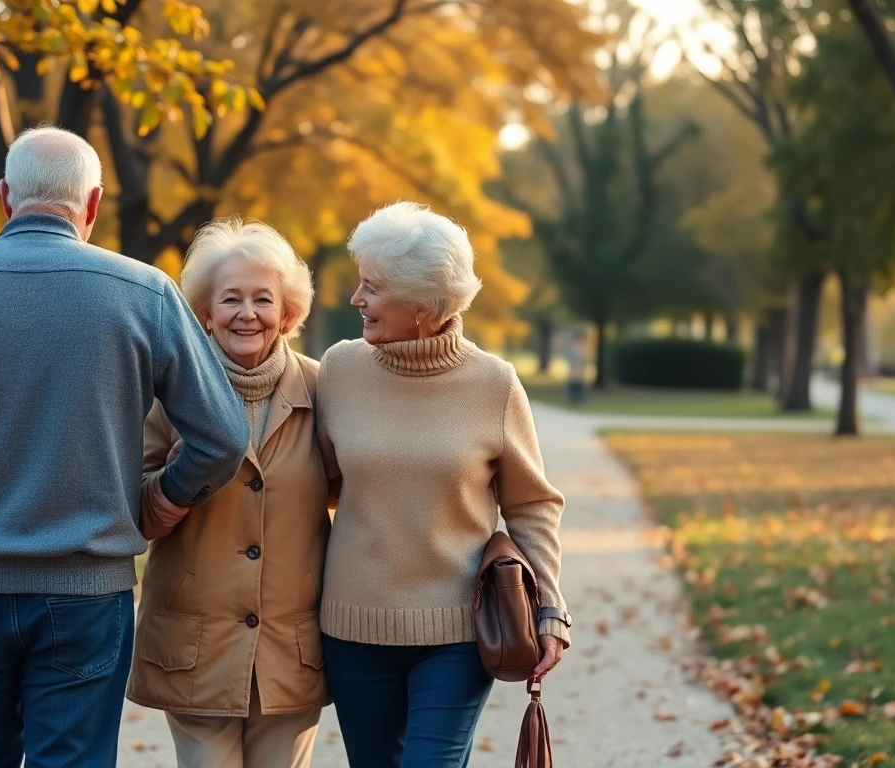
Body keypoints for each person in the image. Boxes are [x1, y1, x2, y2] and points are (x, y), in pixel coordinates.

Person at [0, 126, 249, 767]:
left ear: (6, 196)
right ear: (92, 203)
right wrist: (164, 499)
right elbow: (223, 436)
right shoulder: (144, 293)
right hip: (87, 591)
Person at [316, 202, 571, 768]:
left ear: (423, 307)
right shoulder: (339, 370)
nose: (356, 299)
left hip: (458, 631)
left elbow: (532, 504)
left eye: (372, 287)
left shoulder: (494, 384)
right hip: (353, 628)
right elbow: (318, 481)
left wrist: (550, 609)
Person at [128, 218, 332, 768]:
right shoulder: (166, 394)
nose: (247, 313)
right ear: (204, 312)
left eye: (263, 299)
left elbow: (353, 488)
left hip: (290, 649)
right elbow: (136, 515)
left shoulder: (324, 389)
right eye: (230, 299)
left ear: (287, 312)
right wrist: (173, 484)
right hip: (195, 646)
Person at [565, 329, 587, 402]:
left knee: (578, 385)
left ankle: (578, 399)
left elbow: (582, 361)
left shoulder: (580, 350)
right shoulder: (573, 350)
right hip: (574, 371)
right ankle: (573, 398)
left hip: (579, 371)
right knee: (573, 385)